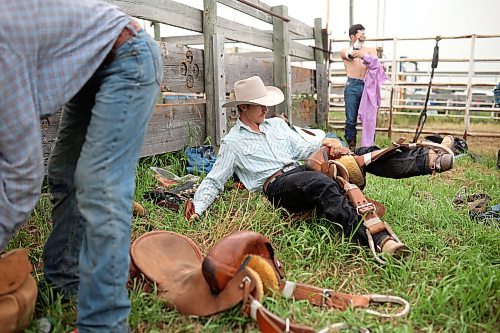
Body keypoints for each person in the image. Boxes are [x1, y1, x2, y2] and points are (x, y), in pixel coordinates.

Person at [0, 1, 162, 332]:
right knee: (64, 173)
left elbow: (21, 178)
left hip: (128, 56)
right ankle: (64, 282)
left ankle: (104, 322)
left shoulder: (2, 47)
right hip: (90, 67)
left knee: (99, 184)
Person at [188, 76, 454, 258]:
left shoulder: (277, 126)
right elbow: (214, 179)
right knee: (321, 184)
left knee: (356, 156)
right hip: (277, 185)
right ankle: (375, 238)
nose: (266, 110)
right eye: (260, 105)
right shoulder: (233, 143)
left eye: (266, 104)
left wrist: (328, 143)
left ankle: (426, 161)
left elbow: (304, 148)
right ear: (243, 107)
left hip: (299, 169)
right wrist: (197, 208)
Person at [341, 24, 378, 150]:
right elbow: (350, 55)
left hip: (367, 85)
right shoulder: (344, 51)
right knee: (351, 118)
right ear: (352, 36)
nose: (363, 35)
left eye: (364, 33)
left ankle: (368, 147)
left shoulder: (370, 50)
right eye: (360, 33)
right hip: (352, 85)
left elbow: (374, 63)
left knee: (369, 118)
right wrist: (358, 44)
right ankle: (351, 147)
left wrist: (363, 54)